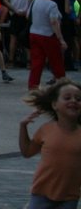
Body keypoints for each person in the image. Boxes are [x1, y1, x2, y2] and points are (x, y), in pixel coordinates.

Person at [18, 78, 81, 209]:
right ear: (54, 105)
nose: (74, 101)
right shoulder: (46, 130)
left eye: (78, 99)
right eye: (67, 98)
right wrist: (23, 127)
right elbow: (27, 152)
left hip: (70, 196)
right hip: (42, 193)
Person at [29, 0, 69, 90]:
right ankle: (62, 84)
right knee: (56, 61)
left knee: (37, 62)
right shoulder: (52, 5)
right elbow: (54, 22)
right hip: (48, 35)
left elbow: (28, 15)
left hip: (34, 33)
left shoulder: (34, 1)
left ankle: (33, 86)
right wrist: (61, 39)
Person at [8, 0, 36, 69]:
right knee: (26, 39)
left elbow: (5, 1)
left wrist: (14, 9)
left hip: (15, 15)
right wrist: (27, 7)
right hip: (25, 15)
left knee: (13, 39)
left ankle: (11, 61)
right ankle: (29, 62)